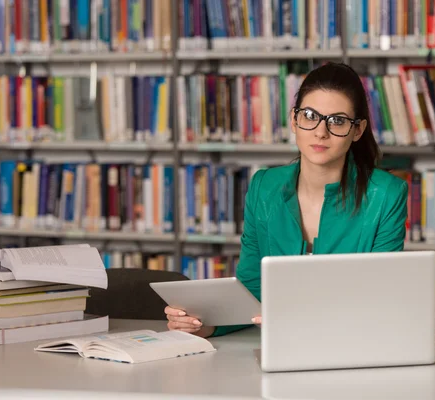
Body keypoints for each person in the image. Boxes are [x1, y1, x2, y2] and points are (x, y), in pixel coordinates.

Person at [165, 62, 408, 338]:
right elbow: (252, 291)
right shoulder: (263, 188)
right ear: (294, 120)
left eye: (338, 120)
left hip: (351, 350)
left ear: (358, 130)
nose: (321, 131)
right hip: (276, 351)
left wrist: (299, 321)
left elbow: (378, 300)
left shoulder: (386, 195)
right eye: (309, 115)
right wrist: (203, 324)